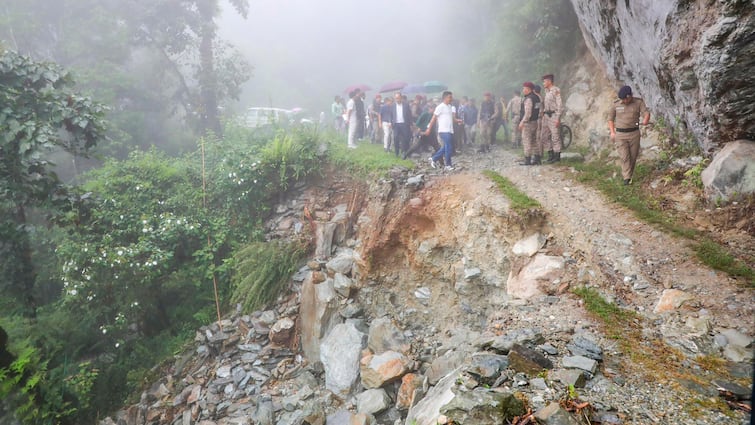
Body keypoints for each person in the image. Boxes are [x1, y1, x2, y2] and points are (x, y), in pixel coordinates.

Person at [608, 85, 650, 185]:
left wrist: (645, 120)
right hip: (620, 135)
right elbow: (610, 119)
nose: (624, 101)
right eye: (622, 99)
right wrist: (612, 132)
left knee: (633, 156)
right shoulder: (616, 105)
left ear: (630, 96)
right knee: (624, 156)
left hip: (634, 134)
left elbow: (646, 113)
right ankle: (626, 179)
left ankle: (629, 175)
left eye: (625, 99)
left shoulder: (638, 102)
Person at [427, 91, 459, 171]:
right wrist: (429, 129)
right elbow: (433, 118)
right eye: (450, 97)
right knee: (449, 147)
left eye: (451, 97)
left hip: (450, 130)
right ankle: (448, 165)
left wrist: (458, 120)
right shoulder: (440, 107)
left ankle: (433, 159)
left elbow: (452, 118)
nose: (451, 99)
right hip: (443, 130)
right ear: (445, 98)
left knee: (446, 147)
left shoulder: (449, 106)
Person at [540, 74, 564, 163]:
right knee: (544, 136)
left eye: (544, 81)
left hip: (553, 115)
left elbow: (559, 105)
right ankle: (550, 154)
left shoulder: (556, 90)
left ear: (549, 81)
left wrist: (558, 118)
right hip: (546, 116)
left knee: (555, 136)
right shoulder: (547, 91)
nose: (543, 83)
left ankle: (557, 156)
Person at [518, 82, 541, 165]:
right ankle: (537, 158)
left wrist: (522, 122)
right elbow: (538, 110)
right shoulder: (537, 98)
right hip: (535, 122)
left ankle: (527, 160)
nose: (523, 90)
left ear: (528, 89)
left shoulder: (529, 99)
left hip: (528, 123)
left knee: (526, 140)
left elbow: (528, 113)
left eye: (524, 88)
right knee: (534, 141)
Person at [391, 91, 414, 157]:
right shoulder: (393, 105)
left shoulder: (406, 105)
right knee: (395, 138)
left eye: (398, 98)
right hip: (396, 124)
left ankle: (404, 151)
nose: (397, 100)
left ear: (401, 98)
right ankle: (396, 152)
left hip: (404, 123)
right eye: (396, 98)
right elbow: (391, 114)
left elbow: (409, 115)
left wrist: (411, 124)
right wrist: (391, 122)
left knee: (405, 138)